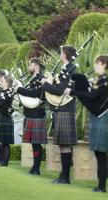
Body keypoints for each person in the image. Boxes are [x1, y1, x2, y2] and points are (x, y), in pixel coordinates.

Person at [64, 55, 108, 192]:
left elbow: (92, 96)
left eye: (97, 64)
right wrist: (82, 81)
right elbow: (91, 94)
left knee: (101, 155)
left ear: (103, 64)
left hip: (103, 118)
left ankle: (101, 187)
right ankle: (100, 186)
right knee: (99, 154)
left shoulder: (105, 81)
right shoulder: (101, 81)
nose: (95, 66)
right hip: (97, 117)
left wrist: (73, 91)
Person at [41, 46, 78, 184]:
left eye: (61, 52)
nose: (60, 55)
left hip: (65, 109)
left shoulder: (71, 69)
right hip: (61, 109)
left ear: (66, 54)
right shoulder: (66, 69)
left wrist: (45, 84)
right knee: (63, 145)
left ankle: (65, 177)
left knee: (65, 145)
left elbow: (60, 91)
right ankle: (63, 176)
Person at [14, 58, 47, 175]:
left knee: (37, 143)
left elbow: (34, 94)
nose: (29, 67)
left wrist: (19, 89)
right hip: (30, 113)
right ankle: (35, 167)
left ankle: (37, 168)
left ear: (36, 66)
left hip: (37, 113)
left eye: (30, 65)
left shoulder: (41, 79)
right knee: (34, 143)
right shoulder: (33, 79)